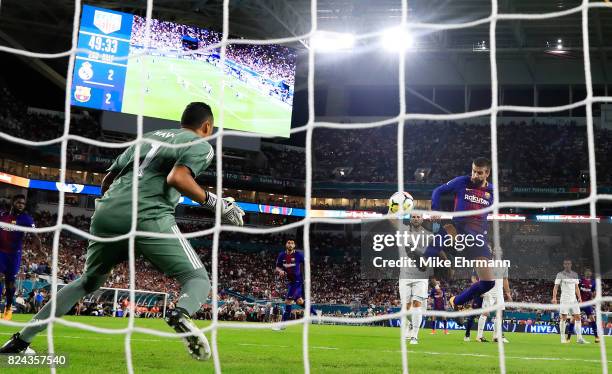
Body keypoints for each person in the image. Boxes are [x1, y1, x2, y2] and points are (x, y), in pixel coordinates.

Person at [0, 102, 245, 361]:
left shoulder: (148, 137)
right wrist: (217, 204)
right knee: (198, 279)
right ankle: (180, 313)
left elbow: (107, 180)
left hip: (107, 214)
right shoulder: (201, 145)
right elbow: (178, 179)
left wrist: (112, 213)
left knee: (87, 282)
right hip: (149, 215)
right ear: (207, 126)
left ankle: (19, 341)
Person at [425, 157, 495, 310]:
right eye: (473, 171)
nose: (475, 175)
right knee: (428, 255)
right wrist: (436, 208)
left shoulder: (492, 191)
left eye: (479, 173)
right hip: (457, 229)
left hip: (477, 239)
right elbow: (438, 191)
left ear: (487, 173)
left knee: (489, 282)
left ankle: (456, 301)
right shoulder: (462, 181)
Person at [0, 194, 43, 320]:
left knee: (10, 283)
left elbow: (35, 235)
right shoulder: (3, 215)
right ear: (13, 202)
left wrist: (40, 249)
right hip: (1, 252)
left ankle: (8, 307)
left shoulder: (26, 219)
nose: (20, 205)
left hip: (14, 254)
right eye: (18, 202)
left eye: (23, 204)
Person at [272, 239, 317, 330]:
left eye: (292, 243)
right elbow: (277, 267)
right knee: (299, 301)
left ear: (294, 245)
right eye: (288, 242)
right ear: (286, 244)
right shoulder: (282, 255)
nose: (290, 244)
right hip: (290, 281)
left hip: (297, 281)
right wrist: (280, 271)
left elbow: (307, 264)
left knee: (288, 301)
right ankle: (314, 313)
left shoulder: (298, 255)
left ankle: (282, 325)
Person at [552, 259, 586, 344]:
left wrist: (579, 297)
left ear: (571, 265)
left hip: (573, 299)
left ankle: (579, 338)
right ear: (564, 265)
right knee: (563, 318)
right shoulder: (560, 274)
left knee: (578, 317)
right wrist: (554, 298)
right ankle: (562, 338)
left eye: (569, 264)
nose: (567, 265)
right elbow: (556, 287)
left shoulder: (574, 274)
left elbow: (576, 287)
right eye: (566, 264)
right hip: (564, 299)